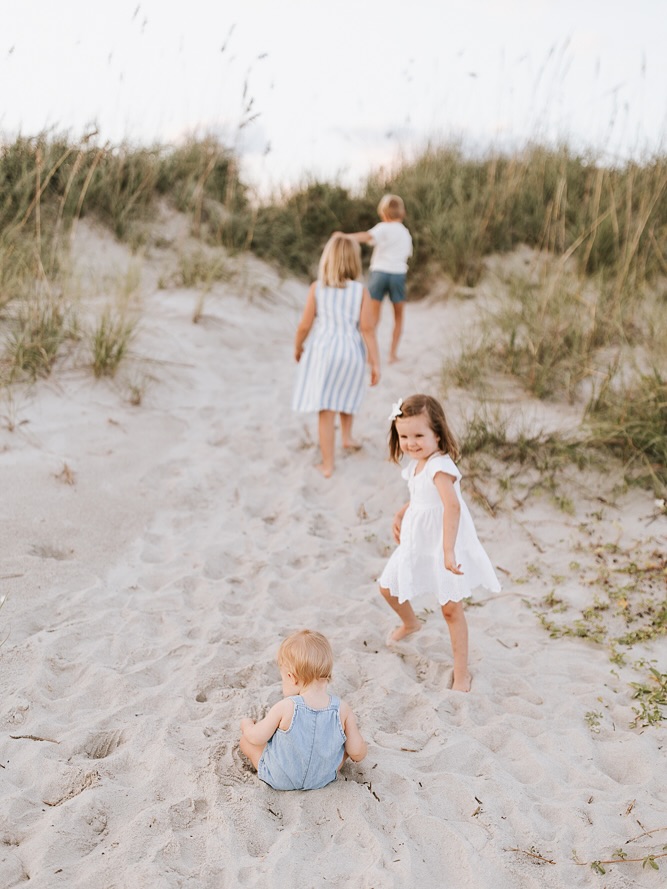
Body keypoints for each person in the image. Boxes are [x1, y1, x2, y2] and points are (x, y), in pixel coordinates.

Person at [378, 394, 501, 692]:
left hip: (444, 543)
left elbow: (451, 506)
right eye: (404, 436)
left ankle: (461, 673)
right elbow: (421, 497)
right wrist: (402, 512)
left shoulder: (439, 467)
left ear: (437, 433)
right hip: (417, 541)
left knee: (451, 610)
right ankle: (411, 623)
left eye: (419, 436)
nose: (411, 443)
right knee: (387, 588)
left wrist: (448, 550)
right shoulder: (417, 465)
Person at [292, 234, 380, 478]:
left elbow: (304, 325)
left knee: (326, 409)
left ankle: (328, 464)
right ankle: (347, 437)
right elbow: (368, 329)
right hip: (351, 352)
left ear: (327, 259)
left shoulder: (317, 288)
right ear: (354, 261)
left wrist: (298, 346)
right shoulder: (360, 291)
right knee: (346, 393)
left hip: (324, 352)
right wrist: (375, 362)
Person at [239, 630, 368, 791]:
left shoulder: (286, 706)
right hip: (322, 778)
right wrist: (358, 748)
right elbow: (357, 752)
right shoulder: (342, 709)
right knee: (345, 748)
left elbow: (256, 737)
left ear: (291, 677)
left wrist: (247, 725)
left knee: (246, 741)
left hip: (279, 778)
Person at [345, 194, 413, 364]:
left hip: (380, 273)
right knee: (398, 317)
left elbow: (366, 236)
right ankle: (392, 355)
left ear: (383, 213)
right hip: (398, 275)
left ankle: (370, 355)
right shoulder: (405, 233)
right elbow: (407, 255)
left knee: (373, 316)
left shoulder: (383, 227)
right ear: (402, 212)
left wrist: (345, 237)